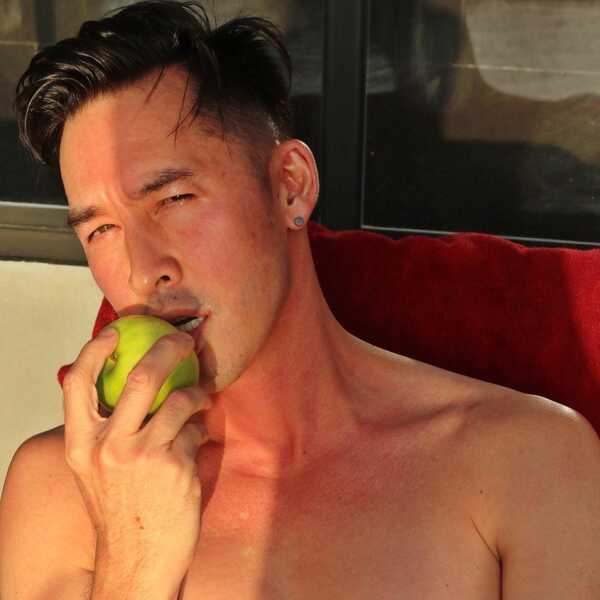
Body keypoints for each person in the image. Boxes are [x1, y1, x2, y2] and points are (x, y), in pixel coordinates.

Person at [1, 1, 599, 598]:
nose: (141, 270)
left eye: (174, 200)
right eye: (101, 229)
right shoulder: (58, 492)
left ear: (290, 185)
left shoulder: (529, 462)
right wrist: (133, 561)